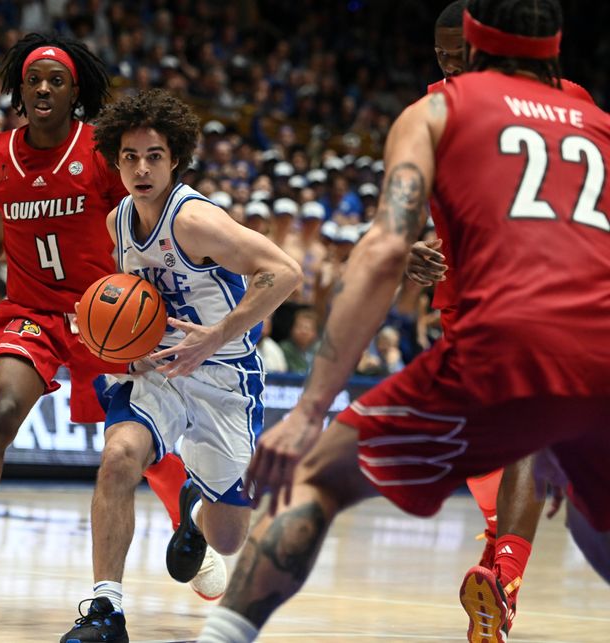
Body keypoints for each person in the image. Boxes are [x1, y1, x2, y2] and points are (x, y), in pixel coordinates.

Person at [198, 2, 610, 642]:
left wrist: (311, 408)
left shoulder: (439, 110)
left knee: (318, 478)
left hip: (498, 338)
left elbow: (383, 248)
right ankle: (507, 569)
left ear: (472, 42)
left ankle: (222, 637)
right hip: (598, 348)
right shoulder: (597, 119)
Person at [0, 34, 197, 606]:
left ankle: (184, 512)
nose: (43, 87)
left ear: (75, 94)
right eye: (34, 79)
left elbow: (151, 217)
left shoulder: (101, 153)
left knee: (134, 443)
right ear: (20, 88)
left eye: (56, 80)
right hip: (32, 314)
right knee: (2, 411)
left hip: (107, 316)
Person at [60, 89, 301, 643]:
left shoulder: (194, 219)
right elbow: (135, 304)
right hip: (158, 372)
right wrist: (119, 340)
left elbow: (284, 273)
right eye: (129, 157)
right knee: (119, 458)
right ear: (116, 161)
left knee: (230, 538)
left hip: (223, 379)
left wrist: (214, 336)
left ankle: (193, 512)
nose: (141, 168)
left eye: (154, 156)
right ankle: (105, 611)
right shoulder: (120, 220)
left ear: (175, 160)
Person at [406, 0, 602, 633]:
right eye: (442, 56)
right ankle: (500, 560)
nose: (451, 64)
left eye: (460, 53)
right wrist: (415, 246)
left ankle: (505, 577)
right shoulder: (436, 103)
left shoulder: (569, 98)